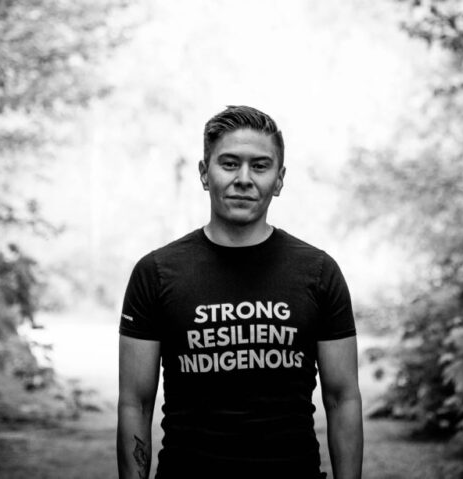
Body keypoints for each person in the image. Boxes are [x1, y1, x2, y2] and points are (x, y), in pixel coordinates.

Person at [117, 105, 363, 479]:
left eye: (260, 166)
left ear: (279, 180)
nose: (244, 179)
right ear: (205, 173)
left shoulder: (318, 272)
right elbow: (135, 403)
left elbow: (342, 399)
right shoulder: (156, 273)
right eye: (229, 164)